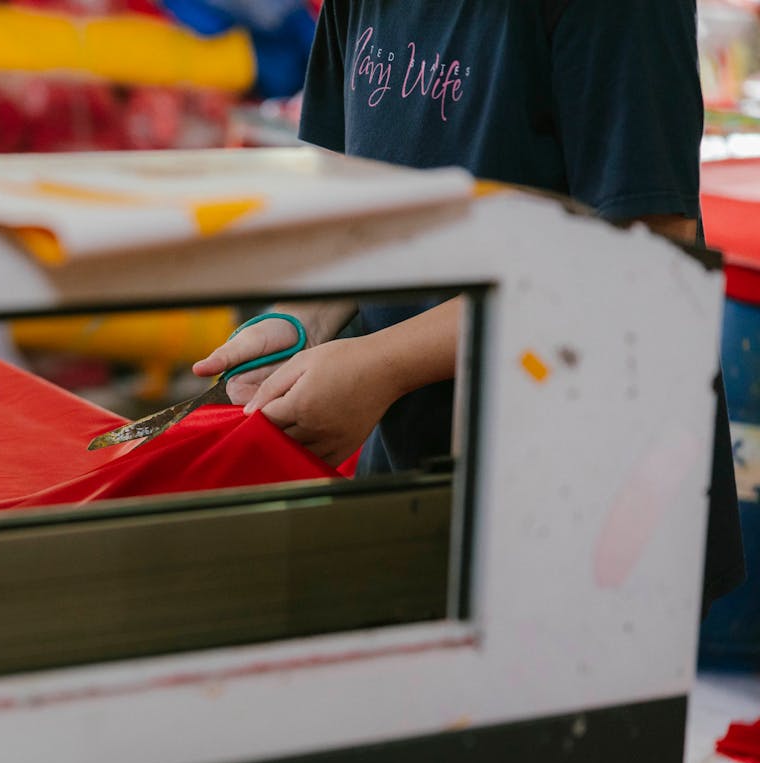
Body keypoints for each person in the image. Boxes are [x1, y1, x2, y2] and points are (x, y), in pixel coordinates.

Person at [192, 0, 746, 612]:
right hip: (418, 474)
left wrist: (381, 364)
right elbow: (353, 206)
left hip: (589, 504)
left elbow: (644, 268)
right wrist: (307, 318)